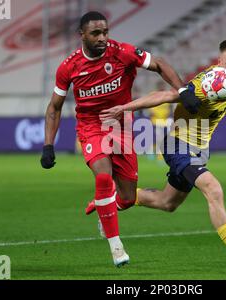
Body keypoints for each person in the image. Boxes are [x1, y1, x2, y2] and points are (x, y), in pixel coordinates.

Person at [98, 38, 226, 272]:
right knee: (213, 188)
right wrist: (125, 108)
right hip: (178, 145)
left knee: (166, 203)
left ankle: (110, 200)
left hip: (197, 151)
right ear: (219, 62)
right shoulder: (206, 85)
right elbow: (163, 96)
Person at [40, 11, 201, 267]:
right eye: (95, 33)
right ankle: (117, 248)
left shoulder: (122, 52)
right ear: (81, 35)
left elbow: (158, 64)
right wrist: (48, 145)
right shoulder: (69, 67)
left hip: (122, 126)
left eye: (105, 32)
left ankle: (105, 206)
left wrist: (181, 90)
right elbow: (54, 107)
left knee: (126, 197)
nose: (103, 37)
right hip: (91, 126)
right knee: (103, 176)